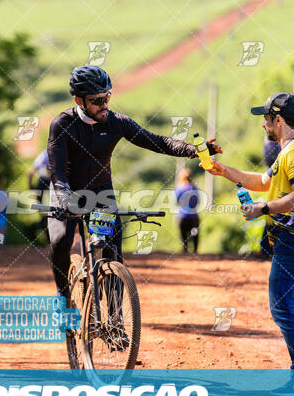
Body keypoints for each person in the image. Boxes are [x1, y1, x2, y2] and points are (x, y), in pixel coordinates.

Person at [47, 65, 222, 299]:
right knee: (60, 241)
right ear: (79, 100)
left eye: (107, 97)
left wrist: (195, 150)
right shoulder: (62, 124)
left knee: (112, 250)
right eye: (97, 100)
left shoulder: (116, 122)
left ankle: (115, 318)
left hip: (100, 193)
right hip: (66, 190)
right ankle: (62, 296)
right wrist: (64, 198)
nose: (104, 104)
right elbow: (56, 171)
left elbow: (157, 141)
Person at [207, 92, 294, 368]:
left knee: (282, 308)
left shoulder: (292, 153)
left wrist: (263, 209)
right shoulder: (286, 153)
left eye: (266, 119)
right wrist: (224, 171)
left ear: (278, 120)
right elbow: (262, 181)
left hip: (290, 240)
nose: (263, 125)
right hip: (286, 239)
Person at [175, 168, 200, 253]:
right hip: (193, 215)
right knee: (195, 233)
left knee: (183, 234)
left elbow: (177, 201)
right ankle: (195, 251)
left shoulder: (179, 188)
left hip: (182, 215)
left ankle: (185, 250)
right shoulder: (194, 188)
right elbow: (197, 201)